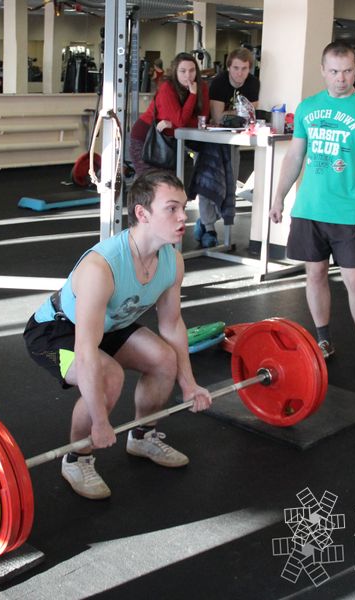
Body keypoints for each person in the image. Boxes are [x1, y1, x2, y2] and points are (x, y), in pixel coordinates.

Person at [23, 170, 212, 500]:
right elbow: (85, 349)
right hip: (56, 332)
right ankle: (77, 457)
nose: (184, 217)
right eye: (172, 208)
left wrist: (189, 383)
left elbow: (171, 326)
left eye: (184, 207)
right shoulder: (103, 267)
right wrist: (99, 421)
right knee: (108, 376)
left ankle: (142, 435)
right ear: (142, 213)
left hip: (110, 324)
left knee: (164, 360)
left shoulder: (172, 262)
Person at [268, 41, 355, 383]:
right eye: (334, 71)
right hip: (309, 209)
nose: (341, 78)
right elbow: (294, 156)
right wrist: (279, 197)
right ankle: (323, 340)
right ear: (323, 71)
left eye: (348, 71)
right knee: (315, 275)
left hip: (349, 212)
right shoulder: (308, 108)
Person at [191, 47, 261, 248]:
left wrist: (234, 114)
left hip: (233, 141)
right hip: (210, 140)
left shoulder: (253, 83)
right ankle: (209, 227)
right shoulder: (219, 83)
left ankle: (205, 222)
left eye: (244, 69)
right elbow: (217, 117)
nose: (240, 73)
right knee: (207, 184)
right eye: (236, 68)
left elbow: (251, 116)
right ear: (229, 68)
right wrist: (238, 113)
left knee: (228, 183)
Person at [129, 52, 209, 177]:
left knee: (170, 186)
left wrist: (173, 124)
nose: (188, 75)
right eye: (183, 71)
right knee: (150, 185)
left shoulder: (202, 87)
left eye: (192, 70)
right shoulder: (167, 88)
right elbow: (181, 121)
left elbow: (202, 120)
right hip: (147, 139)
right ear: (175, 72)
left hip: (172, 142)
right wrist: (192, 95)